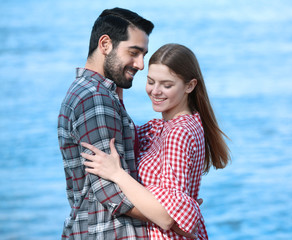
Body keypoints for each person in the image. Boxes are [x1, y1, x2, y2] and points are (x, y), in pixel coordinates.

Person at [81, 43, 231, 239]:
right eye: (151, 81)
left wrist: (116, 173)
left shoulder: (179, 133)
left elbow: (167, 216)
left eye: (166, 85)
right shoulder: (160, 127)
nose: (155, 91)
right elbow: (125, 134)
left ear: (190, 86)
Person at [58, 7, 154, 240]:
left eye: (144, 55)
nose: (141, 64)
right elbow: (114, 195)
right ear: (105, 44)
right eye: (134, 52)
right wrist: (177, 216)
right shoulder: (95, 98)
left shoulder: (93, 92)